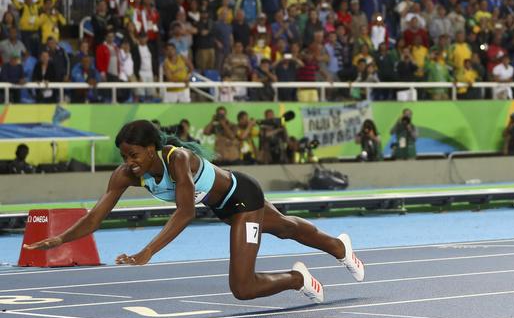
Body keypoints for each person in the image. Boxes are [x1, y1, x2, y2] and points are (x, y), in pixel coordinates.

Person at [23, 120, 365, 304]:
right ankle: (337, 249)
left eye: (134, 154)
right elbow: (95, 217)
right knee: (287, 228)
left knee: (243, 287)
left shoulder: (178, 159)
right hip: (224, 207)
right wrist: (60, 239)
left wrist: (148, 251)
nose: (129, 162)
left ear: (153, 149)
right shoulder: (126, 175)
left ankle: (301, 276)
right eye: (124, 156)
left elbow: (185, 212)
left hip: (243, 198)